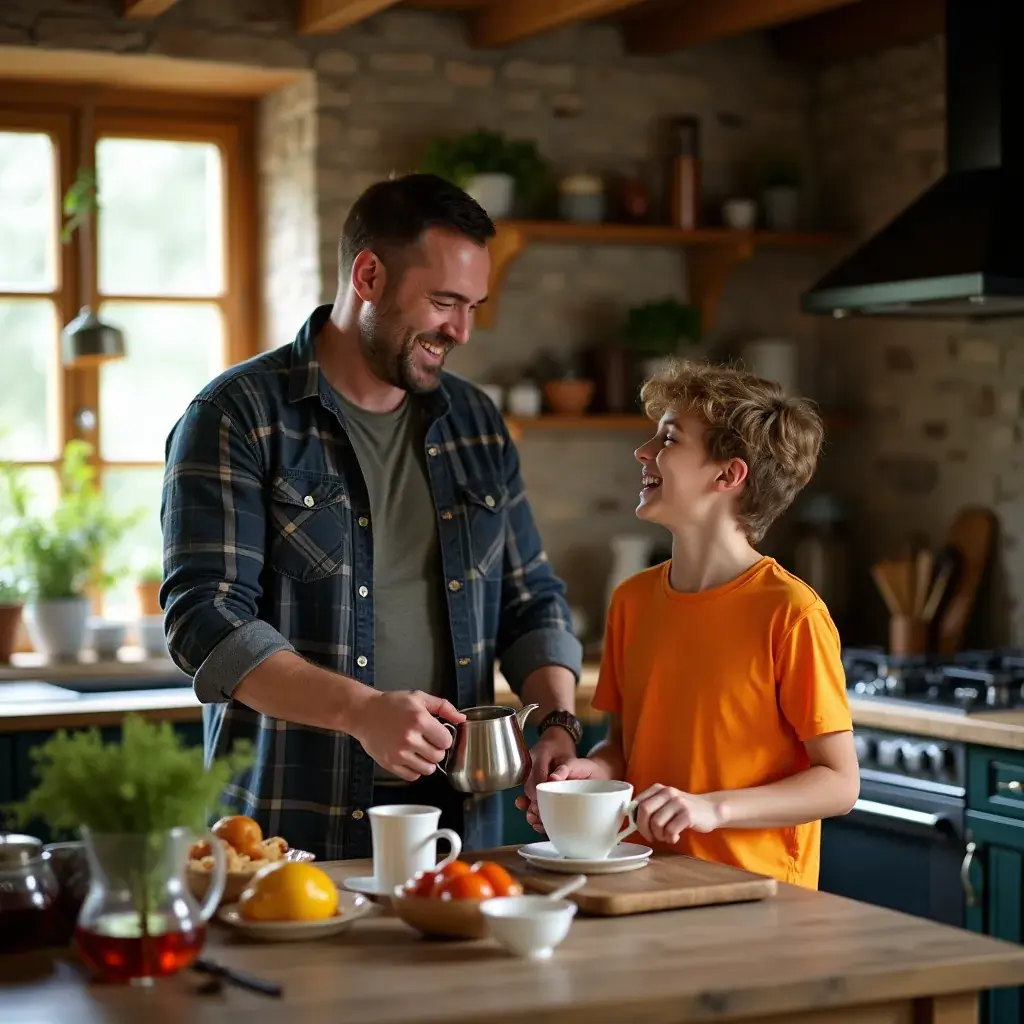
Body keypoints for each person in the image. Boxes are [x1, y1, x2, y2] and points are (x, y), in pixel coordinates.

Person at [160, 173, 584, 862]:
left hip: (457, 830)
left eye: (473, 306)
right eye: (444, 302)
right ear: (368, 275)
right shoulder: (237, 416)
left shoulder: (475, 423)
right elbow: (205, 620)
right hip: (286, 830)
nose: (462, 330)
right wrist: (361, 710)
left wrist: (558, 723)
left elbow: (532, 601)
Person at [517, 361, 859, 888]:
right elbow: (624, 747)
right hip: (642, 879)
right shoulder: (632, 600)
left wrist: (711, 810)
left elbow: (839, 784)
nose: (643, 452)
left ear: (727, 475)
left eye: (669, 438)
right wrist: (595, 778)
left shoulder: (790, 613)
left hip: (754, 895)